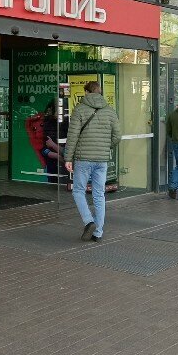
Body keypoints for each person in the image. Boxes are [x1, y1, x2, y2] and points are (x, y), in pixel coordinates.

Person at [64, 81, 122, 242]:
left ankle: (89, 221)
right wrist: (105, 147)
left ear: (87, 92)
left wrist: (68, 158)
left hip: (83, 158)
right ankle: (98, 232)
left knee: (78, 191)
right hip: (101, 160)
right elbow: (117, 136)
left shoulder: (79, 109)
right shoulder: (110, 111)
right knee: (99, 194)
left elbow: (73, 136)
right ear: (100, 92)